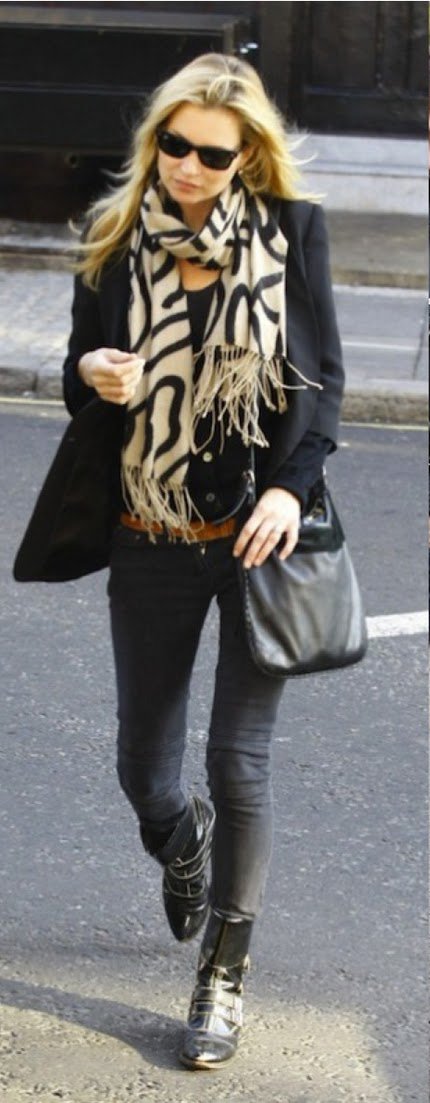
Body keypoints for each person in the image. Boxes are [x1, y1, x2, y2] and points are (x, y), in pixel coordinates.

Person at [63, 52, 344, 1070]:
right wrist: (91, 370)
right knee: (145, 768)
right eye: (174, 144)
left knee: (239, 761)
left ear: (247, 156)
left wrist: (287, 488)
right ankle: (181, 841)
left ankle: (221, 976)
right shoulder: (112, 241)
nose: (188, 165)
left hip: (255, 537)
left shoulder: (291, 234)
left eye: (211, 153)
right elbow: (76, 380)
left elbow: (323, 387)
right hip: (149, 532)